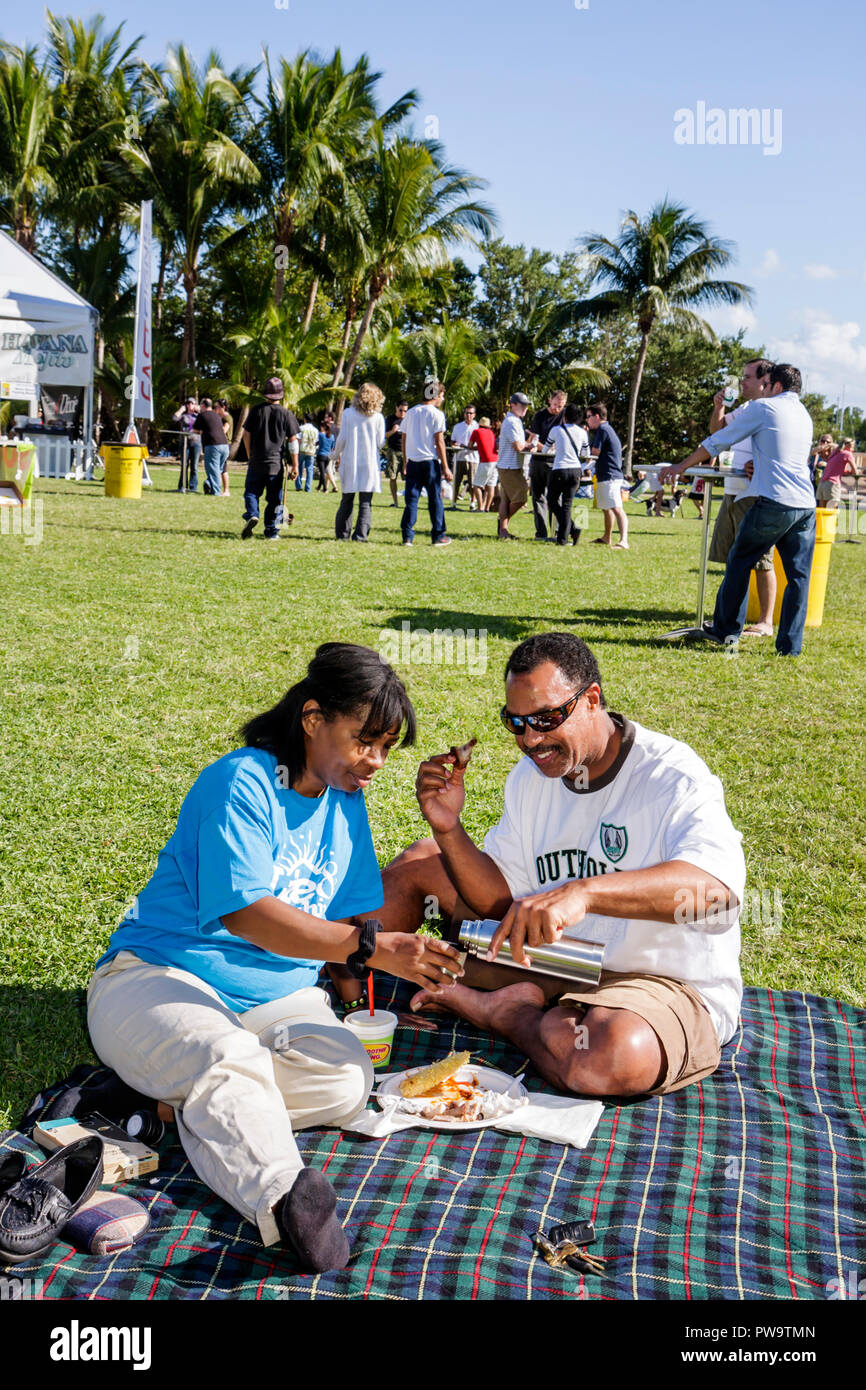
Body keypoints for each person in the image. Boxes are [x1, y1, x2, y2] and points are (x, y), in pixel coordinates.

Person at [86, 643, 464, 1272]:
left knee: (347, 1082)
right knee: (224, 1056)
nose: (374, 762)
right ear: (313, 719)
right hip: (159, 975)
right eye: (363, 740)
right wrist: (371, 949)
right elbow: (247, 914)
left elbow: (347, 916)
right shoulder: (241, 781)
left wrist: (359, 992)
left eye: (386, 747)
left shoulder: (345, 803)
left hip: (275, 998)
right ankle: (286, 1200)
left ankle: (164, 1098)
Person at [377, 631, 744, 1099]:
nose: (531, 739)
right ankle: (335, 991)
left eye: (547, 718)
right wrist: (449, 828)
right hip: (559, 962)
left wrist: (584, 893)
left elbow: (715, 894)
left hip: (656, 981)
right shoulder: (532, 777)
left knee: (611, 1056)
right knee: (417, 868)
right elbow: (497, 901)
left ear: (592, 699)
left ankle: (506, 1013)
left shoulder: (671, 776)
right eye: (516, 722)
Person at [662, 364, 816, 656]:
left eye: (766, 383)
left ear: (777, 387)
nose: (762, 387)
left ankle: (725, 631)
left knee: (739, 561)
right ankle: (790, 648)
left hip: (773, 502)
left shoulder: (765, 408)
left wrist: (681, 466)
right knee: (798, 577)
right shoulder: (804, 414)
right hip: (805, 507)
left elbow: (718, 440)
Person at [707, 360, 777, 637]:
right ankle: (728, 617)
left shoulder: (772, 411)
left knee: (761, 562)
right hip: (733, 490)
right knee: (732, 560)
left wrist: (761, 465)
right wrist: (719, 407)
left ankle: (766, 621)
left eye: (747, 377)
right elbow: (717, 431)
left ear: (765, 381)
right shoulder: (747, 408)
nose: (742, 382)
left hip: (756, 494)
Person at [241, 378, 300, 541]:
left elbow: (246, 434)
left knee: (252, 493)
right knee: (274, 499)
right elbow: (293, 441)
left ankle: (252, 515)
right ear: (281, 394)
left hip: (256, 461)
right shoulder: (286, 414)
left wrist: (249, 454)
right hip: (275, 464)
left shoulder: (256, 410)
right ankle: (271, 531)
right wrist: (295, 465)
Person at [400, 381, 453, 548]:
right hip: (430, 462)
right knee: (435, 499)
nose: (442, 399)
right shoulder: (437, 414)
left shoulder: (411, 412)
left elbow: (404, 438)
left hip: (413, 462)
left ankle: (407, 537)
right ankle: (438, 535)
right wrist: (445, 466)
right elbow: (439, 442)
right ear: (435, 396)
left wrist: (405, 460)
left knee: (411, 500)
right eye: (442, 396)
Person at [332, 383, 386, 542]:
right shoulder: (378, 417)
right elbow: (380, 443)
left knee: (347, 499)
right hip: (369, 463)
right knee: (365, 502)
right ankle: (361, 536)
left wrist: (334, 455)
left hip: (351, 460)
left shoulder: (348, 413)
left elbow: (342, 438)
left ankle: (342, 535)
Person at [586, 405, 628, 550]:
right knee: (606, 508)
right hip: (606, 474)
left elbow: (594, 452)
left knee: (617, 508)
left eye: (588, 416)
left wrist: (585, 438)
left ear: (597, 416)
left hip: (610, 475)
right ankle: (606, 537)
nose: (587, 420)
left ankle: (624, 541)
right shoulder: (605, 429)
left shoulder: (602, 430)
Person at [545, 403, 588, 546]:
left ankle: (572, 530)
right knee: (567, 505)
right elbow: (585, 454)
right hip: (575, 470)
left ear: (564, 416)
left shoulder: (556, 430)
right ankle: (565, 537)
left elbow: (545, 450)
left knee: (551, 501)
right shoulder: (582, 432)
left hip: (559, 469)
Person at [529, 389, 568, 539]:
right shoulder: (540, 416)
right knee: (538, 497)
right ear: (550, 400)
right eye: (555, 405)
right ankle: (541, 532)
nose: (557, 409)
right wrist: (546, 448)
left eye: (561, 406)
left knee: (556, 497)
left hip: (556, 463)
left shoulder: (564, 416)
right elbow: (534, 438)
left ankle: (556, 531)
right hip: (539, 461)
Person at [497, 392, 535, 540]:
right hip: (509, 466)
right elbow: (518, 447)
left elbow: (520, 443)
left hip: (509, 465)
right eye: (522, 405)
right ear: (513, 405)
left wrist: (529, 444)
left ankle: (503, 530)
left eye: (526, 405)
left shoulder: (516, 421)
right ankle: (503, 524)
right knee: (521, 498)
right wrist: (530, 446)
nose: (525, 408)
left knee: (506, 499)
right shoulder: (512, 422)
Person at [193, 397, 230, 497]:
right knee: (218, 469)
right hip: (225, 446)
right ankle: (209, 484)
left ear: (203, 406)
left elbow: (195, 430)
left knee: (212, 469)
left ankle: (216, 493)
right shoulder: (217, 415)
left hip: (213, 445)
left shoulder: (202, 415)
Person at [450, 404, 479, 509]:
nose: (468, 415)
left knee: (473, 482)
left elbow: (479, 445)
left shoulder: (477, 427)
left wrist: (467, 446)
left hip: (473, 458)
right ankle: (454, 503)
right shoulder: (458, 426)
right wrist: (456, 444)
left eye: (471, 413)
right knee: (456, 482)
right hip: (459, 457)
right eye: (467, 413)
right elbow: (453, 441)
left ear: (474, 414)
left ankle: (473, 502)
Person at [817, 437, 858, 509]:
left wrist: (845, 472)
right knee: (831, 511)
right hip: (832, 484)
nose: (853, 449)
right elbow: (855, 471)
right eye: (852, 447)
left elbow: (834, 468)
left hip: (822, 483)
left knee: (821, 512)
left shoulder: (835, 453)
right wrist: (852, 472)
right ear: (848, 446)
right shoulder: (847, 454)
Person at [468, 415, 498, 512]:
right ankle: (487, 507)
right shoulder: (491, 433)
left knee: (476, 485)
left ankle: (480, 507)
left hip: (485, 461)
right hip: (496, 460)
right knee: (491, 485)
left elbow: (470, 445)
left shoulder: (476, 431)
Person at [173, 397, 201, 493]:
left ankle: (193, 488)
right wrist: (181, 410)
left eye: (192, 403)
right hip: (184, 443)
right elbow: (174, 418)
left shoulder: (198, 416)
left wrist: (199, 411)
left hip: (196, 442)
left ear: (195, 405)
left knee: (194, 466)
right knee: (184, 465)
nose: (190, 405)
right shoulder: (183, 416)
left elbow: (206, 420)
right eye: (188, 403)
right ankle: (182, 486)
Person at [383, 400, 408, 506]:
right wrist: (393, 431)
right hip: (393, 451)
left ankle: (409, 502)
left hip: (406, 452)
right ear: (396, 408)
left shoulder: (408, 420)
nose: (403, 413)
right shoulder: (390, 419)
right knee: (393, 477)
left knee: (408, 478)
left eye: (405, 411)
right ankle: (395, 502)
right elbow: (384, 435)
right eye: (401, 410)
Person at [215, 400, 234, 496]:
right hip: (219, 443)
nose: (216, 409)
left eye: (217, 407)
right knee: (218, 467)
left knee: (223, 468)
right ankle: (217, 488)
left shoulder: (227, 417)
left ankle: (226, 490)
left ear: (223, 407)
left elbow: (224, 430)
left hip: (225, 444)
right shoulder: (219, 417)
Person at [296, 415, 319, 493]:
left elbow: (298, 439)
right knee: (310, 470)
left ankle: (298, 486)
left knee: (299, 468)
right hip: (311, 451)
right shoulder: (315, 430)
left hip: (301, 450)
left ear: (305, 420)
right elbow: (316, 441)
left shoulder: (301, 428)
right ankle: (308, 487)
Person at [316, 415, 338, 492]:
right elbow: (332, 447)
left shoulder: (321, 435)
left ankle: (325, 488)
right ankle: (319, 487)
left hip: (321, 455)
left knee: (322, 472)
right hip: (328, 456)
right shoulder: (332, 437)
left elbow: (316, 442)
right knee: (324, 471)